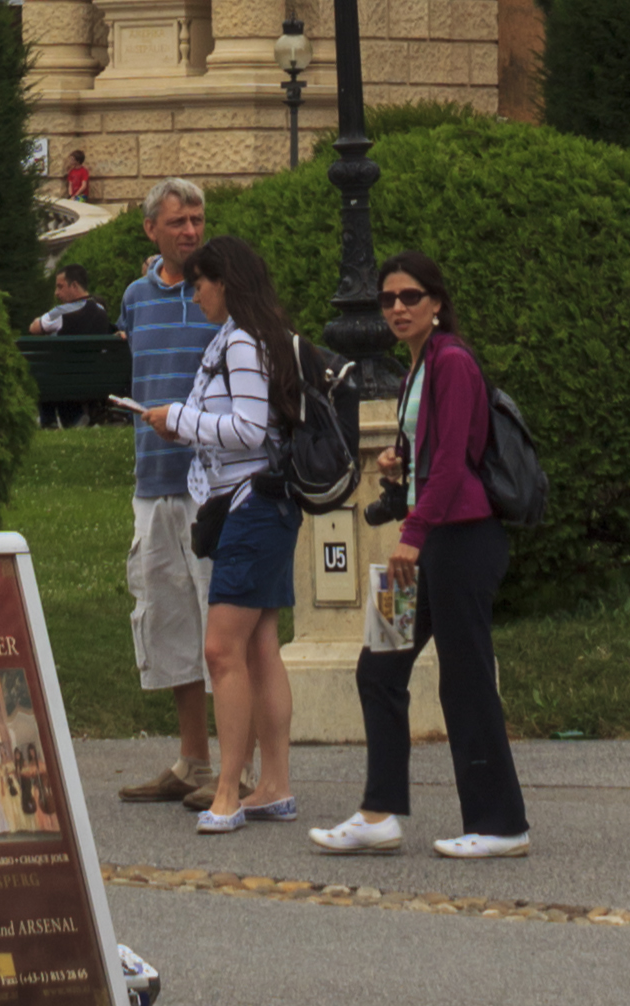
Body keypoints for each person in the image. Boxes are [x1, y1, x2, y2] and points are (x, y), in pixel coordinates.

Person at [311, 250, 530, 860]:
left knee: (464, 680)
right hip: (429, 540)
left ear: (436, 304)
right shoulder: (419, 367)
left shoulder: (453, 361)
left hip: (459, 542)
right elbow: (434, 456)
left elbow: (457, 464)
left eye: (411, 297)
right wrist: (398, 468)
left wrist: (412, 532)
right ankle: (378, 814)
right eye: (388, 300)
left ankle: (501, 824)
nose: (398, 308)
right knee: (378, 665)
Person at [174, 232, 305, 834]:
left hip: (250, 507)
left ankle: (229, 789)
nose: (195, 292)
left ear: (224, 281)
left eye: (200, 281)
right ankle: (273, 784)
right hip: (267, 507)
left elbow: (249, 431)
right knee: (260, 645)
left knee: (222, 649)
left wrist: (176, 419)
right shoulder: (260, 338)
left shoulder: (242, 345)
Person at [116, 176, 216, 804]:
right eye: (178, 221)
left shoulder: (220, 294)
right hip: (152, 481)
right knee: (169, 620)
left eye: (198, 219)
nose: (191, 231)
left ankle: (239, 766)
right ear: (152, 228)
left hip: (213, 485)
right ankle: (193, 762)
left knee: (223, 625)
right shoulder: (134, 296)